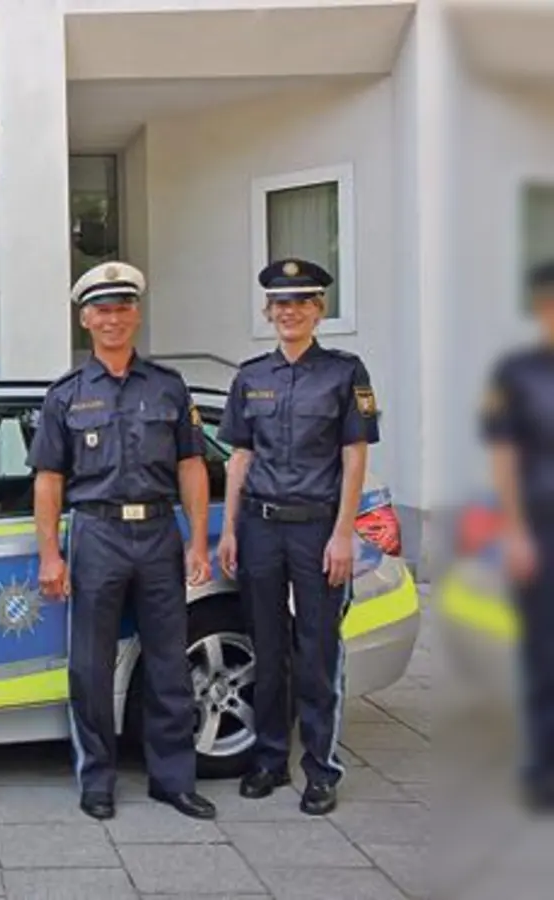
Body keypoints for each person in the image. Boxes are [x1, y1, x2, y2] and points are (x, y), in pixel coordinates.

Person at [29, 261, 216, 821]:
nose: (114, 319)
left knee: (168, 662)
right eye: (102, 310)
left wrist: (198, 541)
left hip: (159, 532)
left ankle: (173, 779)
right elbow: (48, 480)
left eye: (123, 308)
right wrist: (49, 554)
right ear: (85, 319)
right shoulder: (66, 394)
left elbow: (192, 466)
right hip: (97, 532)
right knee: (91, 664)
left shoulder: (167, 386)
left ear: (135, 314)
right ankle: (98, 780)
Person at [216, 257, 380, 816]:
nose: (289, 312)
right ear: (268, 311)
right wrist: (231, 531)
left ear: (319, 310)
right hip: (260, 528)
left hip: (317, 528)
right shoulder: (250, 377)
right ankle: (267, 758)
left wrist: (343, 534)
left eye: (301, 303)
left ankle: (320, 768)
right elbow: (240, 457)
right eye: (280, 304)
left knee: (317, 652)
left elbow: (353, 458)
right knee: (267, 648)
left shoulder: (344, 372)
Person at [479, 260, 554, 812]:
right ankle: (543, 767)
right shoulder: (518, 373)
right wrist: (515, 532)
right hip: (541, 528)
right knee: (544, 652)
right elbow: (504, 457)